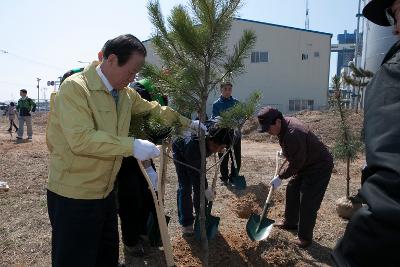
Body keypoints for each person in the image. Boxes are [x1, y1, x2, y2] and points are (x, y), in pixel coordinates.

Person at [46, 34, 205, 267]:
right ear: (111, 60)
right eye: (130, 72)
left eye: (135, 75)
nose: (132, 79)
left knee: (106, 257)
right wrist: (131, 146)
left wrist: (187, 122)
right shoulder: (76, 89)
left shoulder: (125, 94)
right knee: (75, 259)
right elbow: (80, 139)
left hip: (105, 192)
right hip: (74, 195)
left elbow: (153, 109)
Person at [332, 1, 400, 266]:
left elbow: (391, 198)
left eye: (394, 13)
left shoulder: (394, 73)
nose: (395, 30)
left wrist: (347, 257)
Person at [257, 107, 333, 248]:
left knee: (308, 201)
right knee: (292, 189)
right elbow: (298, 153)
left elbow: (297, 163)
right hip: (306, 162)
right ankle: (291, 222)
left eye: (268, 128)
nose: (268, 132)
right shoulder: (285, 125)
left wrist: (280, 177)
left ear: (278, 121)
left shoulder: (293, 133)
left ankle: (304, 238)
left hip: (318, 166)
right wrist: (286, 151)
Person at [172, 124, 232, 236]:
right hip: (180, 149)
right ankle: (187, 222)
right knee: (185, 185)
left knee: (200, 186)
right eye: (216, 147)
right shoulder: (193, 146)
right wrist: (205, 189)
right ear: (209, 140)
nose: (218, 150)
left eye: (221, 147)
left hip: (197, 152)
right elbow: (196, 176)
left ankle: (201, 217)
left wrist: (204, 190)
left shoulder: (218, 132)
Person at [212, 81, 241, 183]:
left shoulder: (236, 103)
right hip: (222, 134)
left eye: (230, 89)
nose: (228, 91)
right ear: (221, 90)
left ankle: (234, 176)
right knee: (223, 156)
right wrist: (221, 121)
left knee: (236, 157)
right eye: (225, 89)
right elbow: (214, 118)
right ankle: (224, 177)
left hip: (235, 133)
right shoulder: (216, 104)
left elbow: (240, 117)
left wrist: (236, 122)